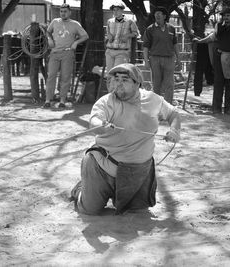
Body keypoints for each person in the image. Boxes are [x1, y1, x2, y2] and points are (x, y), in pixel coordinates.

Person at [69, 63, 181, 215]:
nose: (118, 84)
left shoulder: (153, 100)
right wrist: (101, 125)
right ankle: (81, 189)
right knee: (89, 210)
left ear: (137, 84)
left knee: (137, 211)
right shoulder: (106, 101)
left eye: (125, 80)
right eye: (115, 80)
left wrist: (174, 130)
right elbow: (94, 121)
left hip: (138, 171)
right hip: (102, 167)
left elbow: (173, 113)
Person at [43, 4, 89, 109]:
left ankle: (62, 101)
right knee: (51, 76)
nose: (63, 13)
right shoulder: (55, 22)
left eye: (65, 11)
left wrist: (76, 42)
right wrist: (49, 39)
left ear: (69, 12)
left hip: (67, 53)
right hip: (55, 52)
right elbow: (48, 32)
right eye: (61, 11)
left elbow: (85, 36)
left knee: (65, 77)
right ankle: (48, 100)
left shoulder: (75, 24)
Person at [142, 6, 181, 104]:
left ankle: (168, 107)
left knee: (169, 84)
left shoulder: (171, 28)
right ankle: (157, 106)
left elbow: (175, 44)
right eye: (156, 14)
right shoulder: (150, 29)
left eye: (159, 13)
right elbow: (145, 46)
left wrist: (179, 59)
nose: (157, 15)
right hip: (155, 59)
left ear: (164, 16)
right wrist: (146, 61)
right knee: (156, 85)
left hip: (169, 59)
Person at [105, 2, 139, 76]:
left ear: (122, 10)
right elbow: (107, 33)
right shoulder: (110, 21)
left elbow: (136, 33)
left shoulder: (130, 21)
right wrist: (109, 36)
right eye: (114, 10)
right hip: (110, 50)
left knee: (118, 72)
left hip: (122, 51)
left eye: (117, 10)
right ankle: (110, 87)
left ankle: (117, 87)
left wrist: (127, 35)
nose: (115, 12)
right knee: (109, 73)